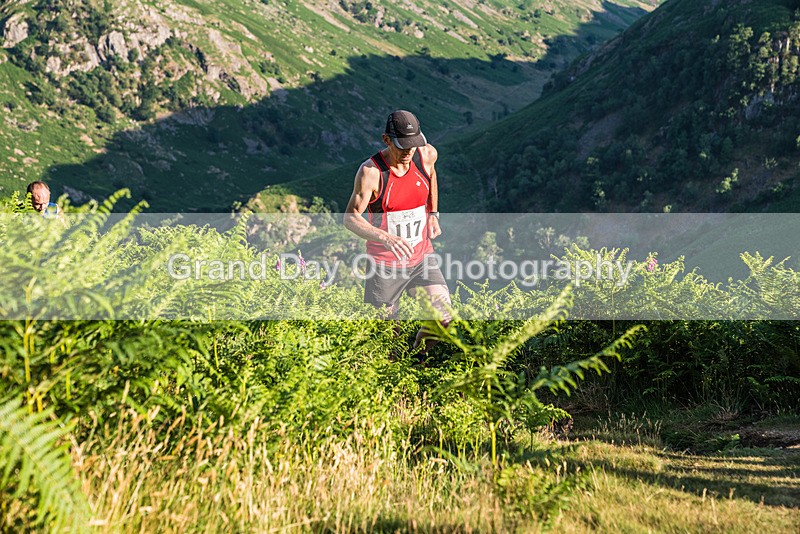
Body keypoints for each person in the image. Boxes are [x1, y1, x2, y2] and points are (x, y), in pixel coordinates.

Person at [343, 110, 452, 358]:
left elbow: (431, 176)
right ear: (386, 140)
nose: (409, 151)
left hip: (421, 257)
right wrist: (386, 237)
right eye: (403, 146)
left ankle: (416, 363)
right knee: (388, 340)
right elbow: (350, 218)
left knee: (442, 315)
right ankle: (393, 383)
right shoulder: (371, 172)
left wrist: (433, 213)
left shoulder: (426, 155)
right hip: (384, 265)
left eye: (414, 144)